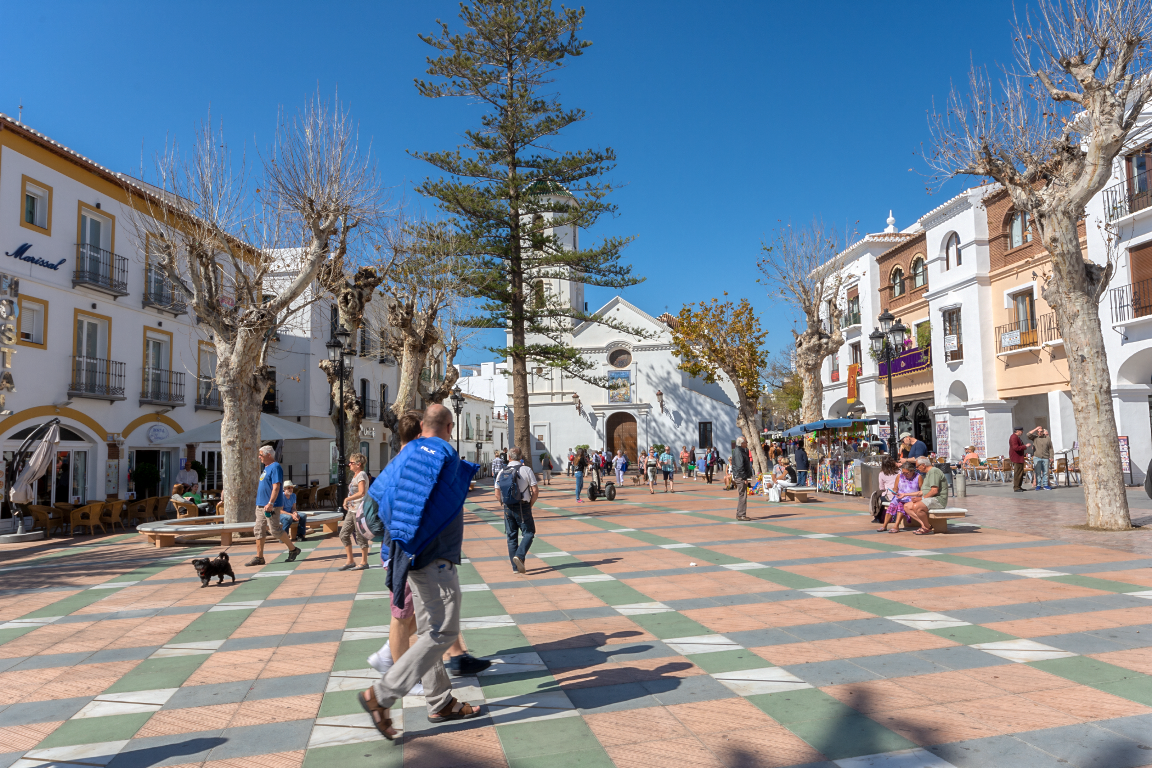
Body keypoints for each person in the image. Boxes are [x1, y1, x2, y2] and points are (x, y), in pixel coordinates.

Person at [359, 403, 484, 740]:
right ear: (449, 426)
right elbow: (418, 500)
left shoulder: (406, 453)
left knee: (430, 630)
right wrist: (412, 537)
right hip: (432, 556)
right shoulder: (438, 451)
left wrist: (400, 540)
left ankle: (440, 701)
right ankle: (381, 694)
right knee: (444, 631)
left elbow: (379, 498)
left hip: (413, 555)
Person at [368, 410, 424, 692]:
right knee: (402, 615)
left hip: (397, 549)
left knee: (418, 613)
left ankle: (387, 654)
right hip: (400, 551)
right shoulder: (407, 467)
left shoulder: (394, 464)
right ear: (420, 434)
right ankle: (400, 676)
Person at [247, 446, 301, 567]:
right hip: (261, 505)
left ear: (269, 455)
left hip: (272, 505)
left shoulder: (275, 467)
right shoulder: (266, 468)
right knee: (258, 529)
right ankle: (259, 557)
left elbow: (276, 487)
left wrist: (270, 503)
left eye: (261, 454)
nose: (259, 457)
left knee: (275, 530)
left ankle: (293, 549)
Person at [496, 447, 539, 574]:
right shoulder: (526, 470)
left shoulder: (502, 471)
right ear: (521, 457)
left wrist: (503, 503)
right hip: (523, 506)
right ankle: (519, 556)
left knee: (511, 537)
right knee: (529, 532)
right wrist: (530, 504)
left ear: (509, 457)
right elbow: (535, 491)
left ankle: (515, 568)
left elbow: (497, 493)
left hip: (507, 507)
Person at [338, 453, 371, 571]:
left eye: (351, 463)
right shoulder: (355, 475)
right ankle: (350, 560)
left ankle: (364, 562)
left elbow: (361, 493)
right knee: (343, 534)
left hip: (359, 510)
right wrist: (347, 501)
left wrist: (347, 499)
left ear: (358, 464)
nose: (349, 464)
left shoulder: (361, 474)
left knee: (360, 535)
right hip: (352, 510)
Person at [904, 456, 950, 534]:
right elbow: (922, 492)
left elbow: (934, 491)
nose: (917, 468)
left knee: (917, 506)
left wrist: (921, 499)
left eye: (917, 466)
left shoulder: (934, 472)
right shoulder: (928, 473)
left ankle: (926, 527)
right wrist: (904, 494)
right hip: (930, 498)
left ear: (923, 465)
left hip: (938, 500)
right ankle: (925, 525)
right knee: (907, 506)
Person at [875, 457, 907, 533]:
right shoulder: (900, 471)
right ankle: (886, 524)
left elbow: (881, 488)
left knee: (879, 499)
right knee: (893, 504)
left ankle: (880, 520)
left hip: (892, 495)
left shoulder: (882, 473)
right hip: (900, 493)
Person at [732, 437, 753, 520]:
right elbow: (740, 466)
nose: (747, 443)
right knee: (742, 495)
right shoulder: (738, 452)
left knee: (742, 495)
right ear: (742, 443)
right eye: (746, 442)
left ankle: (740, 514)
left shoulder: (742, 450)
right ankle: (741, 515)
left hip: (741, 475)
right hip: (740, 476)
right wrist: (744, 478)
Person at [1008, 426, 1031, 493]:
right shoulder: (1014, 437)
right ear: (1017, 431)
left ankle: (1019, 486)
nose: (1022, 432)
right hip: (1016, 457)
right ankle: (1016, 487)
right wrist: (1025, 446)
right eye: (1021, 431)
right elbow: (1015, 447)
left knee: (1020, 472)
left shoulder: (1016, 437)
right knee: (1017, 473)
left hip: (1019, 457)